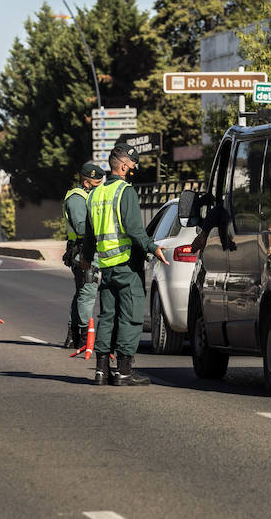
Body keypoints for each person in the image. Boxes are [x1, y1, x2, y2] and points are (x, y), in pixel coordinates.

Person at [83, 144, 167, 386]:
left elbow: (89, 234)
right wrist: (153, 248)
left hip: (106, 266)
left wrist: (87, 257)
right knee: (130, 317)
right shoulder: (125, 191)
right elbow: (133, 229)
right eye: (132, 165)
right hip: (127, 266)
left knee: (107, 316)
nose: (133, 169)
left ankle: (101, 370)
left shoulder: (95, 193)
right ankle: (124, 371)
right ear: (122, 165)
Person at [62, 162, 104, 348]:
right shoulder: (78, 198)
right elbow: (81, 227)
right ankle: (85, 337)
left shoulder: (84, 196)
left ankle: (74, 337)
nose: (99, 187)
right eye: (96, 184)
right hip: (83, 250)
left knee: (81, 293)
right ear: (86, 183)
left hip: (82, 249)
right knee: (87, 292)